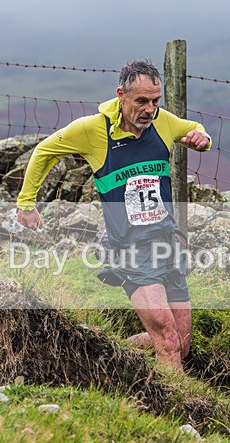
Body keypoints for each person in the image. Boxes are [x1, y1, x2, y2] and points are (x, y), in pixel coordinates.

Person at [16, 60, 211, 370]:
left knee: (181, 344)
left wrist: (202, 138)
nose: (150, 109)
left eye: (156, 101)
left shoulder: (163, 122)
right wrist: (26, 203)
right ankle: (173, 416)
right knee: (168, 341)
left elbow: (194, 129)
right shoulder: (93, 130)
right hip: (130, 250)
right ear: (121, 95)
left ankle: (109, 356)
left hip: (167, 245)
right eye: (142, 101)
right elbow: (44, 152)